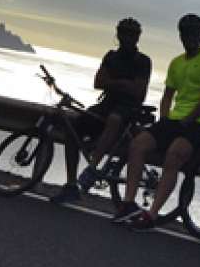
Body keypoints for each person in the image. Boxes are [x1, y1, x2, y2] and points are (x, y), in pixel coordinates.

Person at [117, 13, 200, 230]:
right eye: (185, 33)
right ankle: (127, 204)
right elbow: (167, 95)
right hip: (174, 120)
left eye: (194, 33)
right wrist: (164, 119)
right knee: (137, 145)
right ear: (181, 36)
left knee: (174, 155)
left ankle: (152, 215)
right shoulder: (176, 63)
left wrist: (187, 120)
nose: (189, 37)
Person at [49, 17, 151, 204]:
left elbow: (139, 92)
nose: (128, 38)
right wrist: (124, 83)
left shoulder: (143, 61)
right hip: (107, 104)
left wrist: (113, 82)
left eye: (132, 34)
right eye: (124, 33)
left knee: (114, 119)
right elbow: (98, 82)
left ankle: (92, 170)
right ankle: (71, 185)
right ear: (118, 35)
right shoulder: (110, 56)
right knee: (73, 129)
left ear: (137, 38)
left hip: (128, 109)